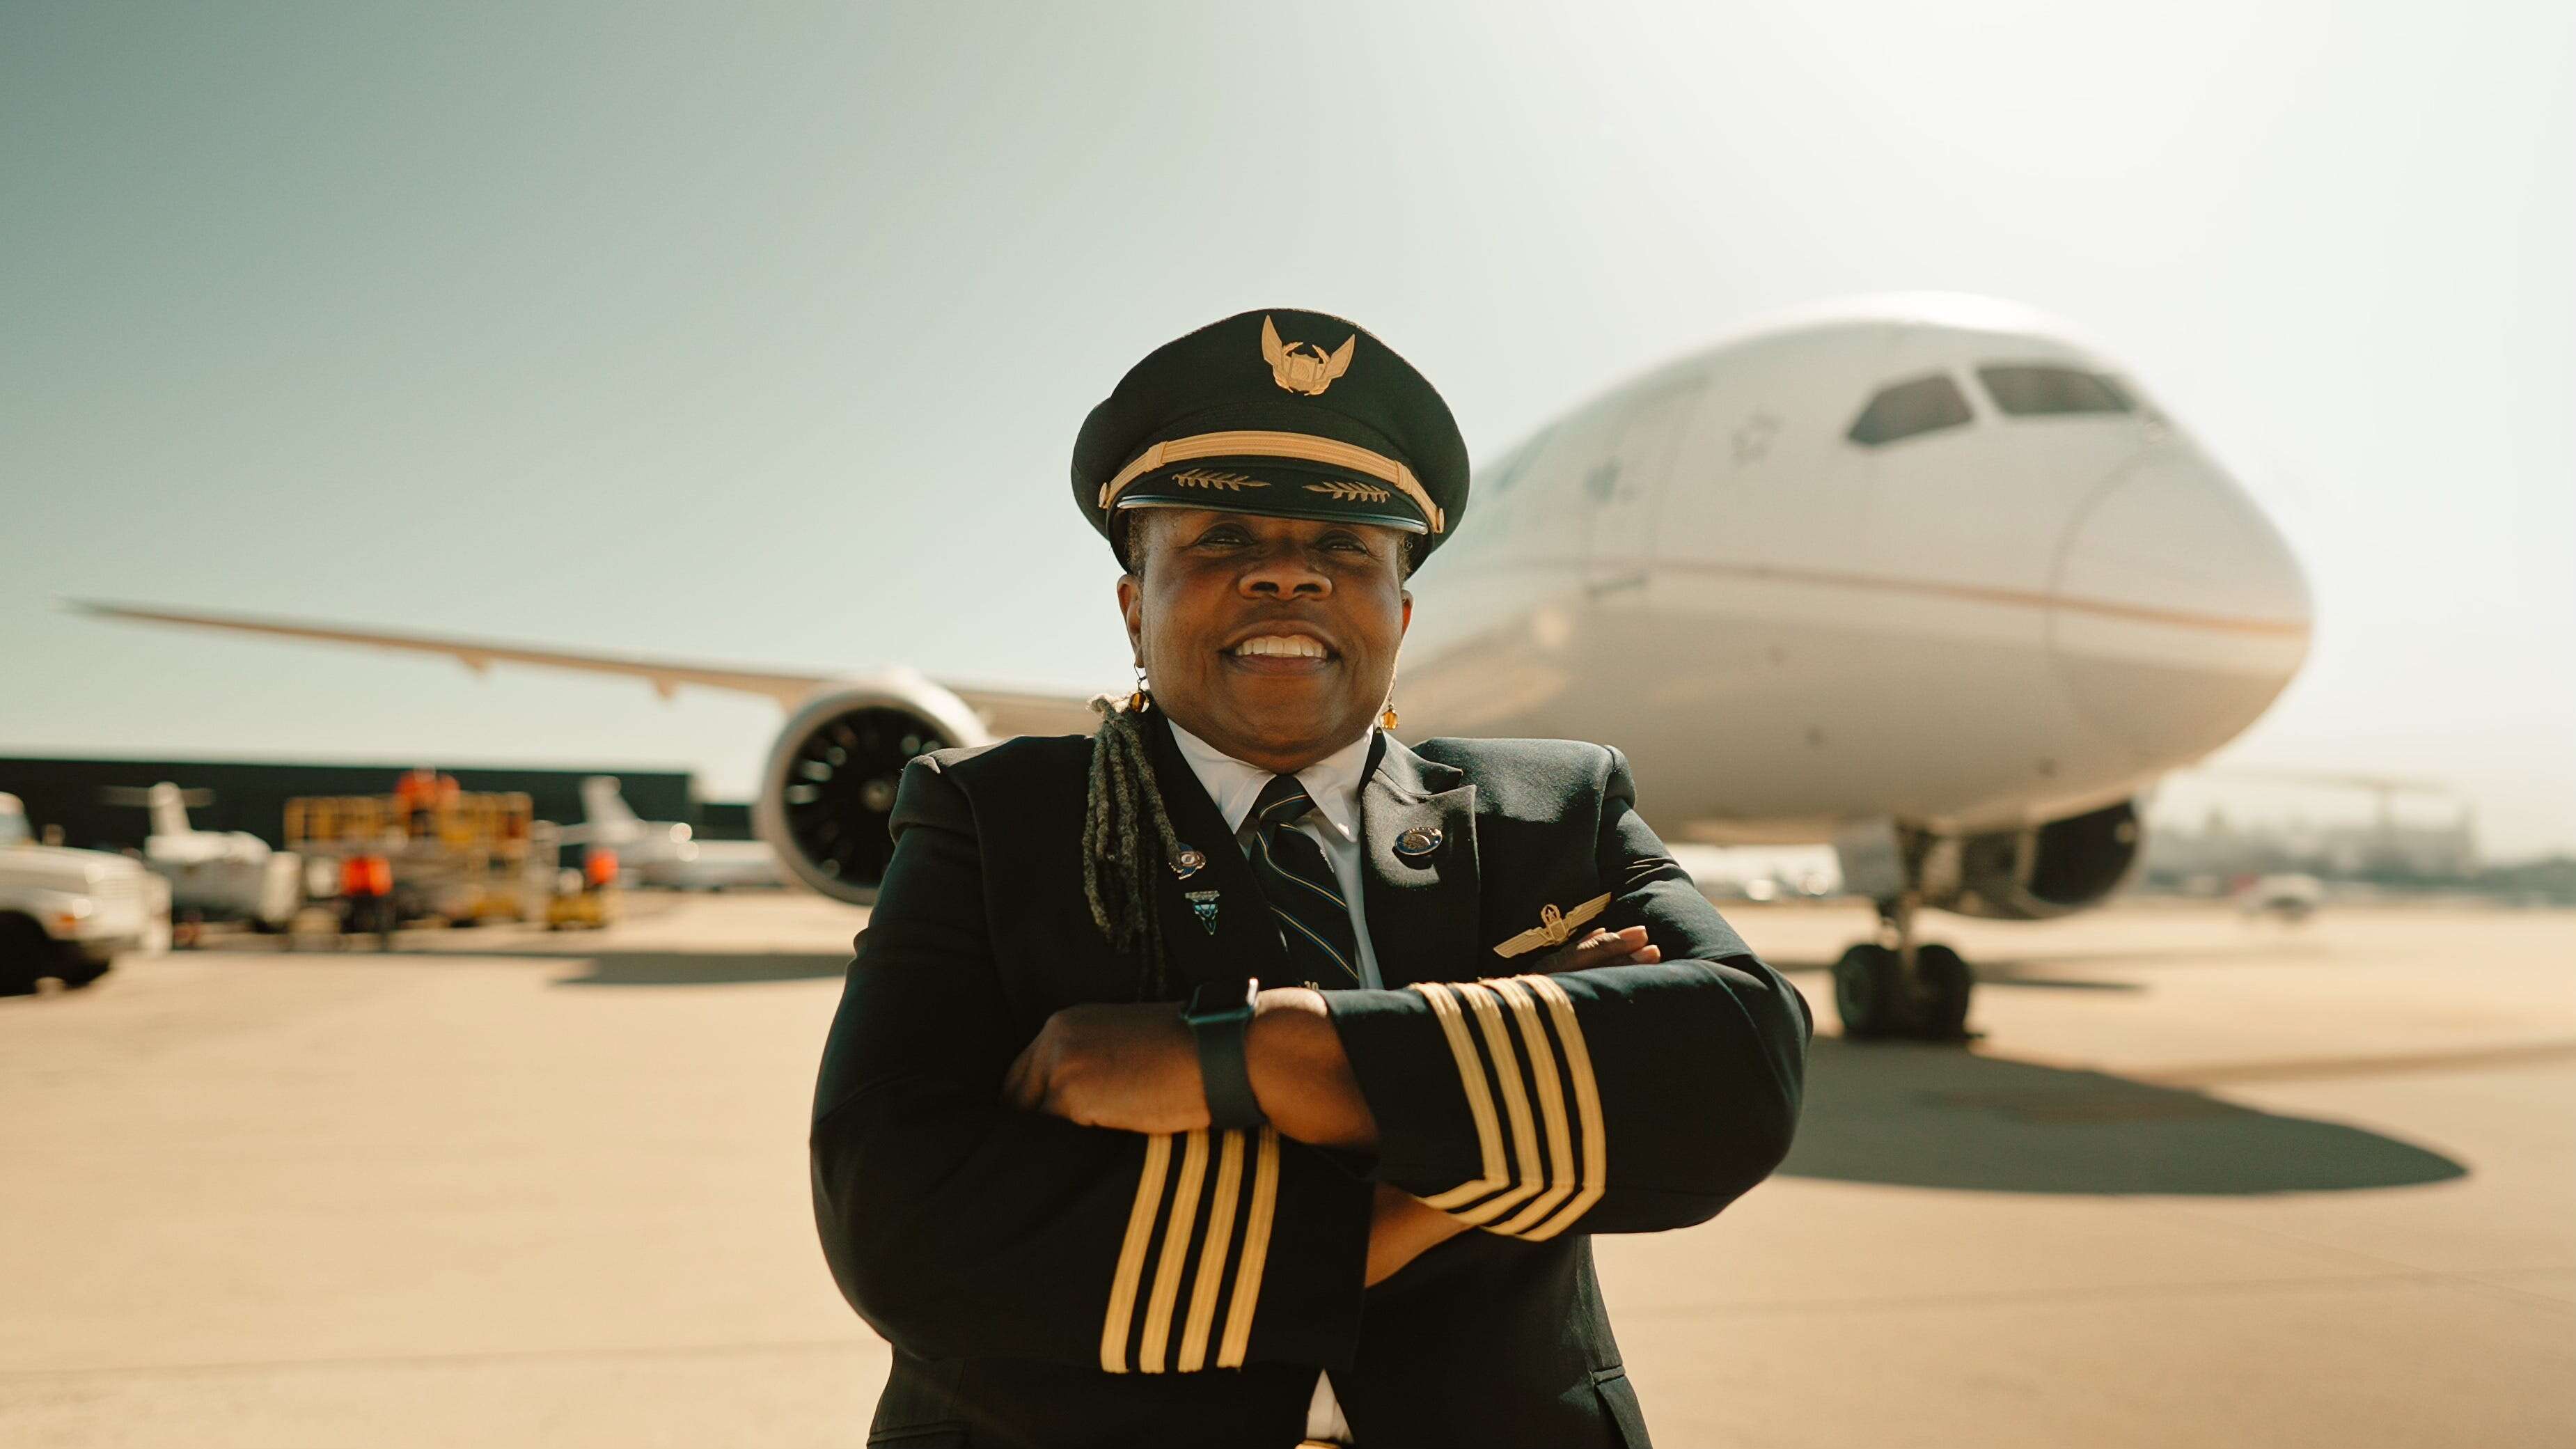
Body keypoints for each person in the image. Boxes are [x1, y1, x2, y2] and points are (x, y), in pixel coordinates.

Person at [810, 308, 1812, 1448]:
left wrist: (1248, 1056)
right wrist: (1484, 1113)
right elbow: (900, 1222)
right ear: (1135, 605)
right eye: (1223, 538)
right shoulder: (993, 817)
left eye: (1346, 548)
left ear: (1401, 611)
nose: (1288, 573)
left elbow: (1740, 1067)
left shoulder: (1556, 809)